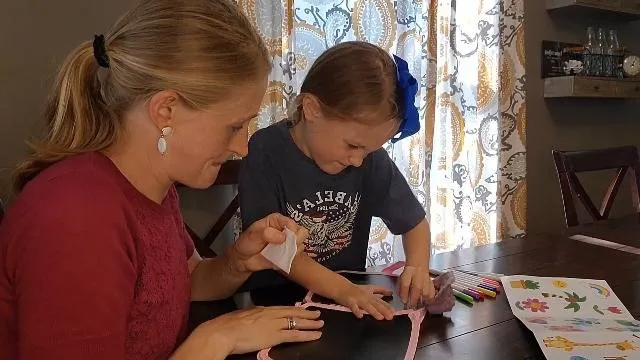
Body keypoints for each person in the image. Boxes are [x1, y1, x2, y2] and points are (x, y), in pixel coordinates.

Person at [0, 1, 324, 359]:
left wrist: (236, 263)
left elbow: (184, 283)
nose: (243, 147)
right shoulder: (74, 219)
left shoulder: (153, 187)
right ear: (165, 110)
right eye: (234, 126)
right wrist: (215, 340)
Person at [239, 41, 436, 320]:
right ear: (311, 109)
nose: (358, 160)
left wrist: (417, 266)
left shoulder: (369, 159)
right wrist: (343, 290)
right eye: (353, 146)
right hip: (277, 305)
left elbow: (414, 223)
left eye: (369, 150)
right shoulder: (264, 151)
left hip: (346, 302)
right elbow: (275, 252)